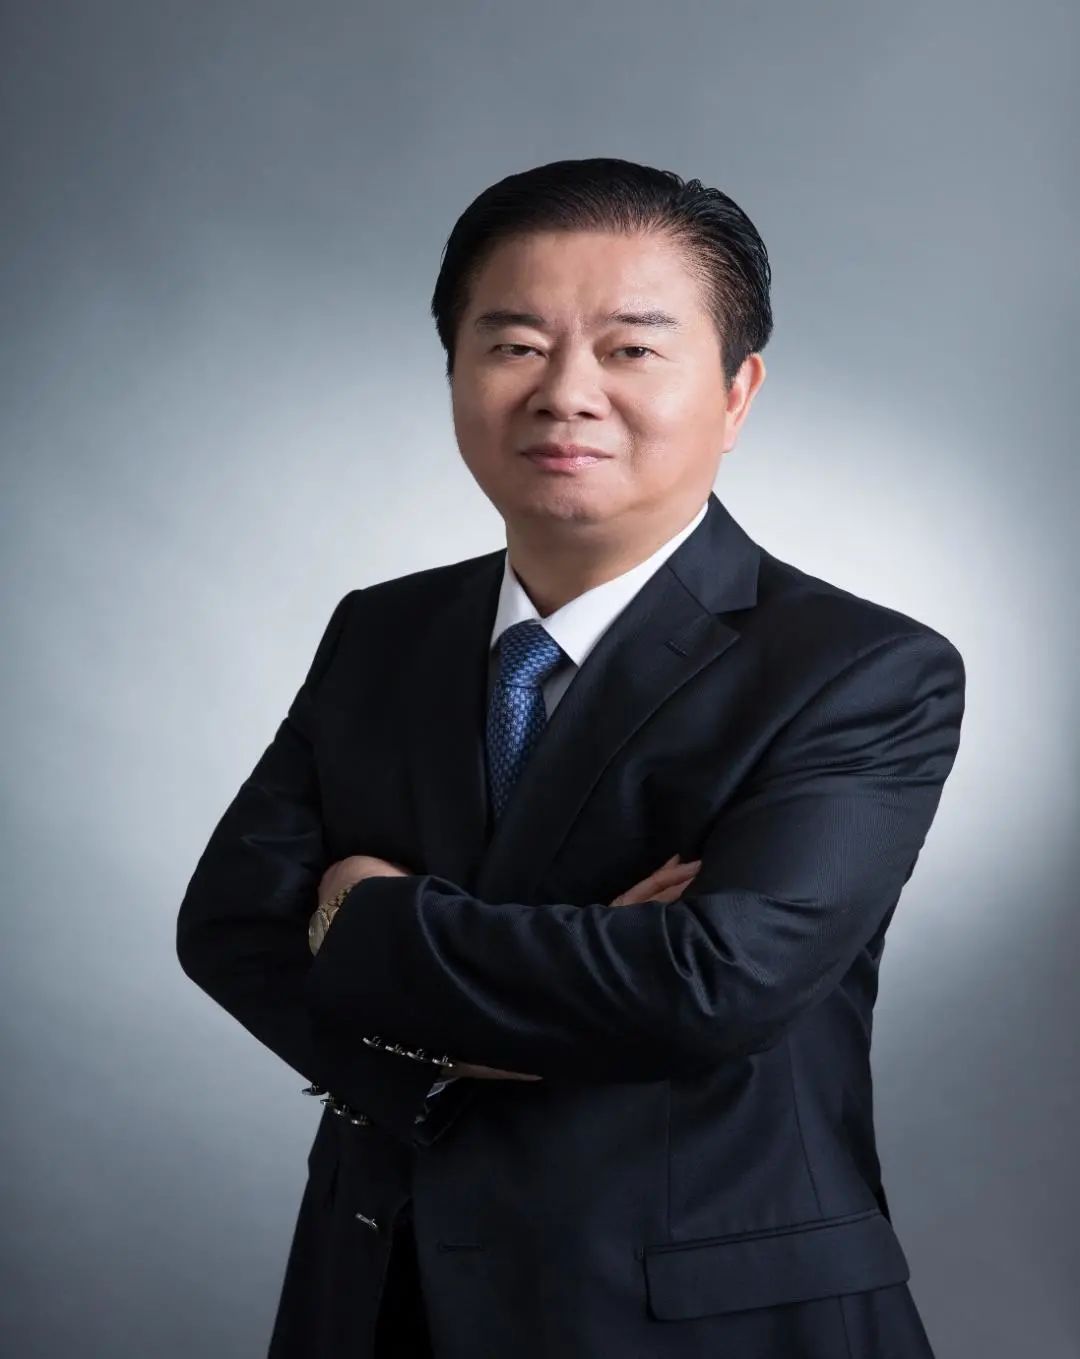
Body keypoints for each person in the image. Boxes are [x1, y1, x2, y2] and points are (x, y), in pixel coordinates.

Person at [176, 156, 964, 1359]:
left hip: (700, 1317)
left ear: (738, 391)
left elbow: (708, 986)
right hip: (381, 1297)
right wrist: (462, 1051)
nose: (566, 394)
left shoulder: (862, 669)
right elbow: (231, 928)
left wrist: (360, 916)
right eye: (515, 345)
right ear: (454, 371)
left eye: (631, 348)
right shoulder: (383, 630)